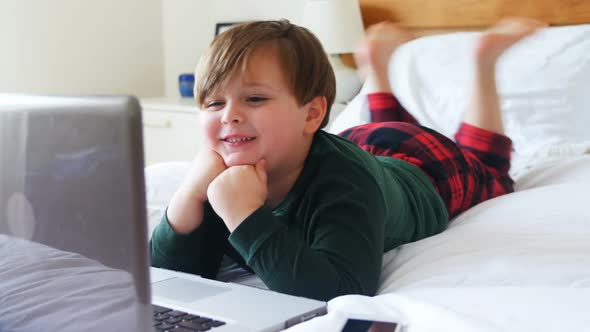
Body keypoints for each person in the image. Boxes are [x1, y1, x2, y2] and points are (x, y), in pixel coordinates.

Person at [150, 18, 543, 302]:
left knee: (488, 166)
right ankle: (378, 71)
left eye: (254, 99)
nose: (228, 116)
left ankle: (483, 65)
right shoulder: (221, 172)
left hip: (425, 168)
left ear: (311, 114)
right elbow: (174, 276)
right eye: (214, 102)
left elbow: (340, 290)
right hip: (360, 140)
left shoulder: (342, 183)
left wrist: (245, 216)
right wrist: (188, 196)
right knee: (383, 130)